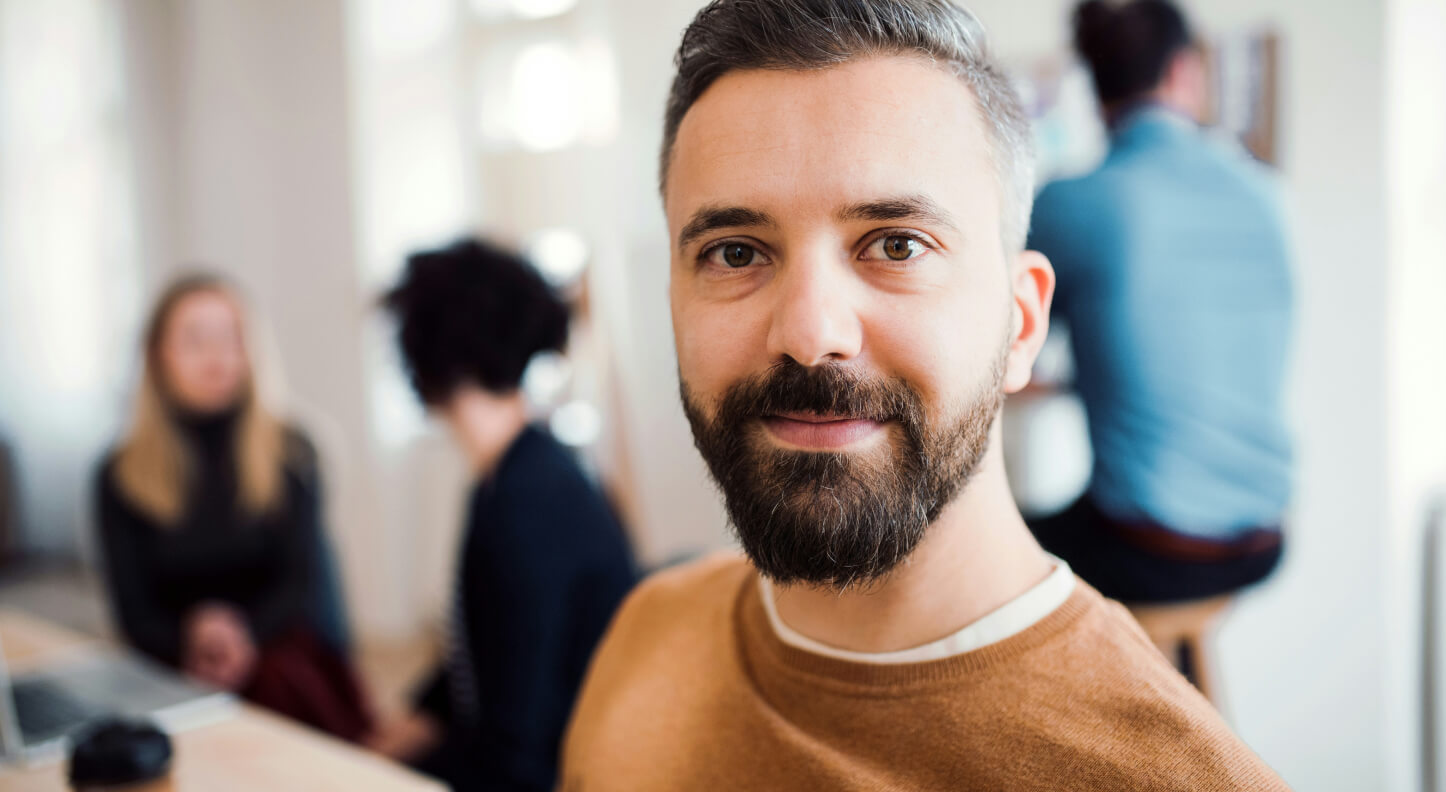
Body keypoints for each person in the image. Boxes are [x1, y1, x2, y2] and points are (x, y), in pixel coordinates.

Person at [558, 1, 1290, 789]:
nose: (810, 334)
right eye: (735, 251)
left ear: (1021, 322)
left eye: (896, 245)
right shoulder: (640, 637)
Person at [1026, 1, 1292, 610]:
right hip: (1263, 532)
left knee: (977, 548)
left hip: (1149, 545)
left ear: (1093, 84)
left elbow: (1009, 340)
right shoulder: (1265, 193)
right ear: (1184, 73)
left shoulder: (1075, 203)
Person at [371, 239, 637, 791]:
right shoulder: (518, 472)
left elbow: (517, 748)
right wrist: (417, 718)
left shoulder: (527, 502)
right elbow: (490, 648)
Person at [95, 275, 373, 742]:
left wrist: (241, 635)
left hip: (278, 654)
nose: (216, 355)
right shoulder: (119, 474)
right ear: (158, 353)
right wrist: (195, 635)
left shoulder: (292, 452)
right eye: (195, 339)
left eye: (231, 337)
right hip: (173, 664)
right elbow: (134, 613)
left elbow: (300, 586)